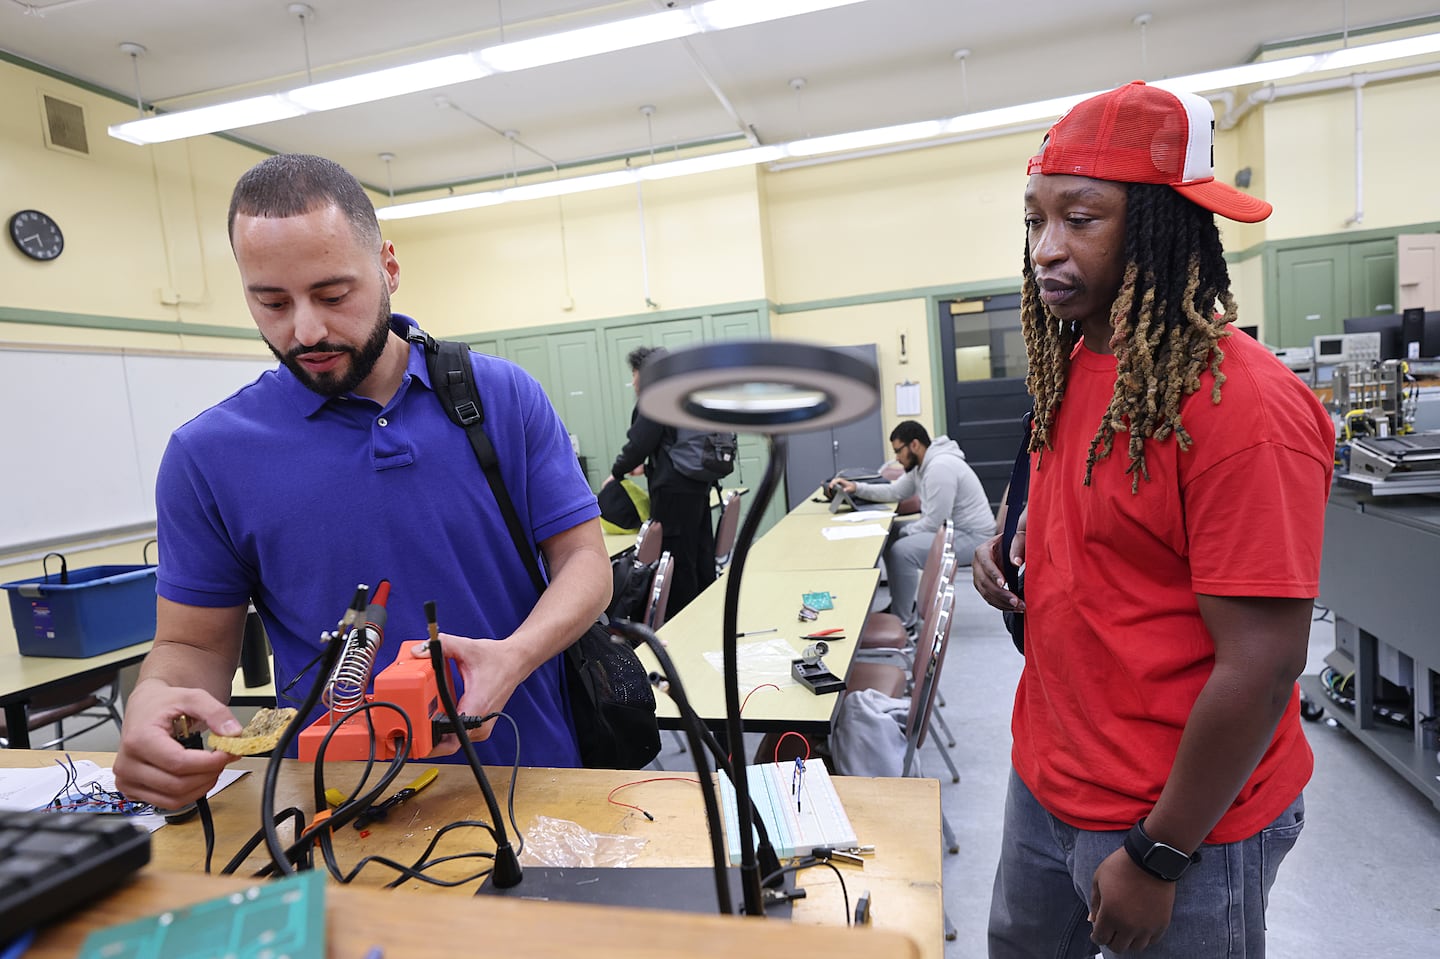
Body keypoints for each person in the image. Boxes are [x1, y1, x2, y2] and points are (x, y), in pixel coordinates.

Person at [114, 154, 611, 808]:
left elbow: (583, 560)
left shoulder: (501, 397)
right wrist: (153, 699)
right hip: (339, 807)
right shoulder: (207, 456)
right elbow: (190, 644)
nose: (306, 329)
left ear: (389, 268)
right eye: (271, 302)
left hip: (535, 778)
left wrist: (514, 655)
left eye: (332, 294)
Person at [972, 82, 1333, 958]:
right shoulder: (1077, 363)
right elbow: (1104, 546)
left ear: (1163, 227)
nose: (1046, 250)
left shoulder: (1242, 407)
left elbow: (1266, 658)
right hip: (1048, 779)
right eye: (1035, 220)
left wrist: (1159, 853)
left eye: (1082, 219)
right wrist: (1009, 560)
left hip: (1180, 822)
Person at [829, 420, 992, 631]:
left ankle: (904, 621)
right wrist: (856, 488)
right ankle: (901, 606)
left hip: (973, 537)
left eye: (899, 451)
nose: (896, 458)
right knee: (892, 533)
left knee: (901, 550)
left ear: (914, 445)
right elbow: (894, 492)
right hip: (952, 529)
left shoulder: (939, 468)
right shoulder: (921, 466)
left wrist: (903, 531)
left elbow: (934, 523)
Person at [605, 346, 715, 616]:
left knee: (674, 561)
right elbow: (669, 441)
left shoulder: (657, 397)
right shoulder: (684, 393)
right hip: (698, 483)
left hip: (672, 490)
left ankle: (683, 619)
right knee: (699, 553)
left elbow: (639, 443)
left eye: (634, 373)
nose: (632, 381)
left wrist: (617, 472)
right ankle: (706, 612)